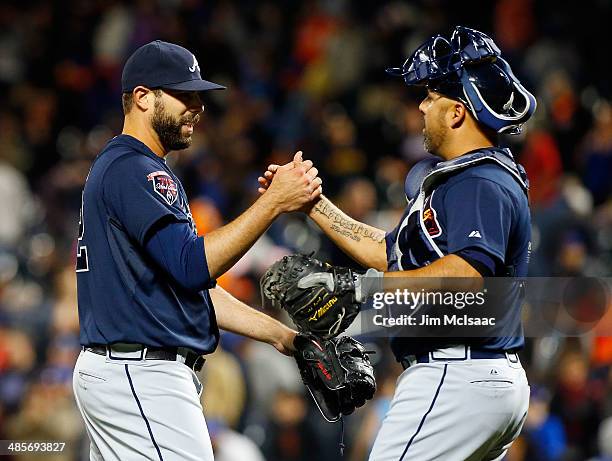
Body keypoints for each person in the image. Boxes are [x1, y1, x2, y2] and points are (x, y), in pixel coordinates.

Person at [259, 26, 536, 460]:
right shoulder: (468, 178)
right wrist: (314, 204)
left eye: (429, 96)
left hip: (455, 374)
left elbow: (466, 276)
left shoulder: (478, 181)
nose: (422, 106)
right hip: (478, 377)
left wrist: (360, 291)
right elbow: (391, 252)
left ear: (457, 112)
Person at [72, 40, 321, 461]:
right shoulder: (135, 169)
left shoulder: (131, 167)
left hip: (127, 370)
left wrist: (283, 336)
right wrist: (274, 202)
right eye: (183, 94)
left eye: (198, 95)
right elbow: (192, 267)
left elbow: (191, 287)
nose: (197, 106)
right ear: (143, 97)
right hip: (141, 373)